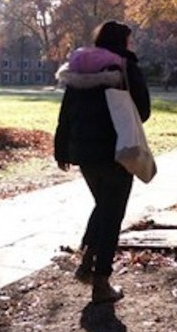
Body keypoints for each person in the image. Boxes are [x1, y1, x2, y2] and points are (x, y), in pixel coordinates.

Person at [54, 20, 151, 303]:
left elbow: (66, 110)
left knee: (103, 206)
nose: (132, 46)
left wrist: (61, 148)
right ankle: (100, 282)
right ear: (122, 41)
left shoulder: (78, 66)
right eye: (130, 40)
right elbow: (143, 110)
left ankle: (87, 265)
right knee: (112, 214)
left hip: (84, 153)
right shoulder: (124, 67)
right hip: (117, 151)